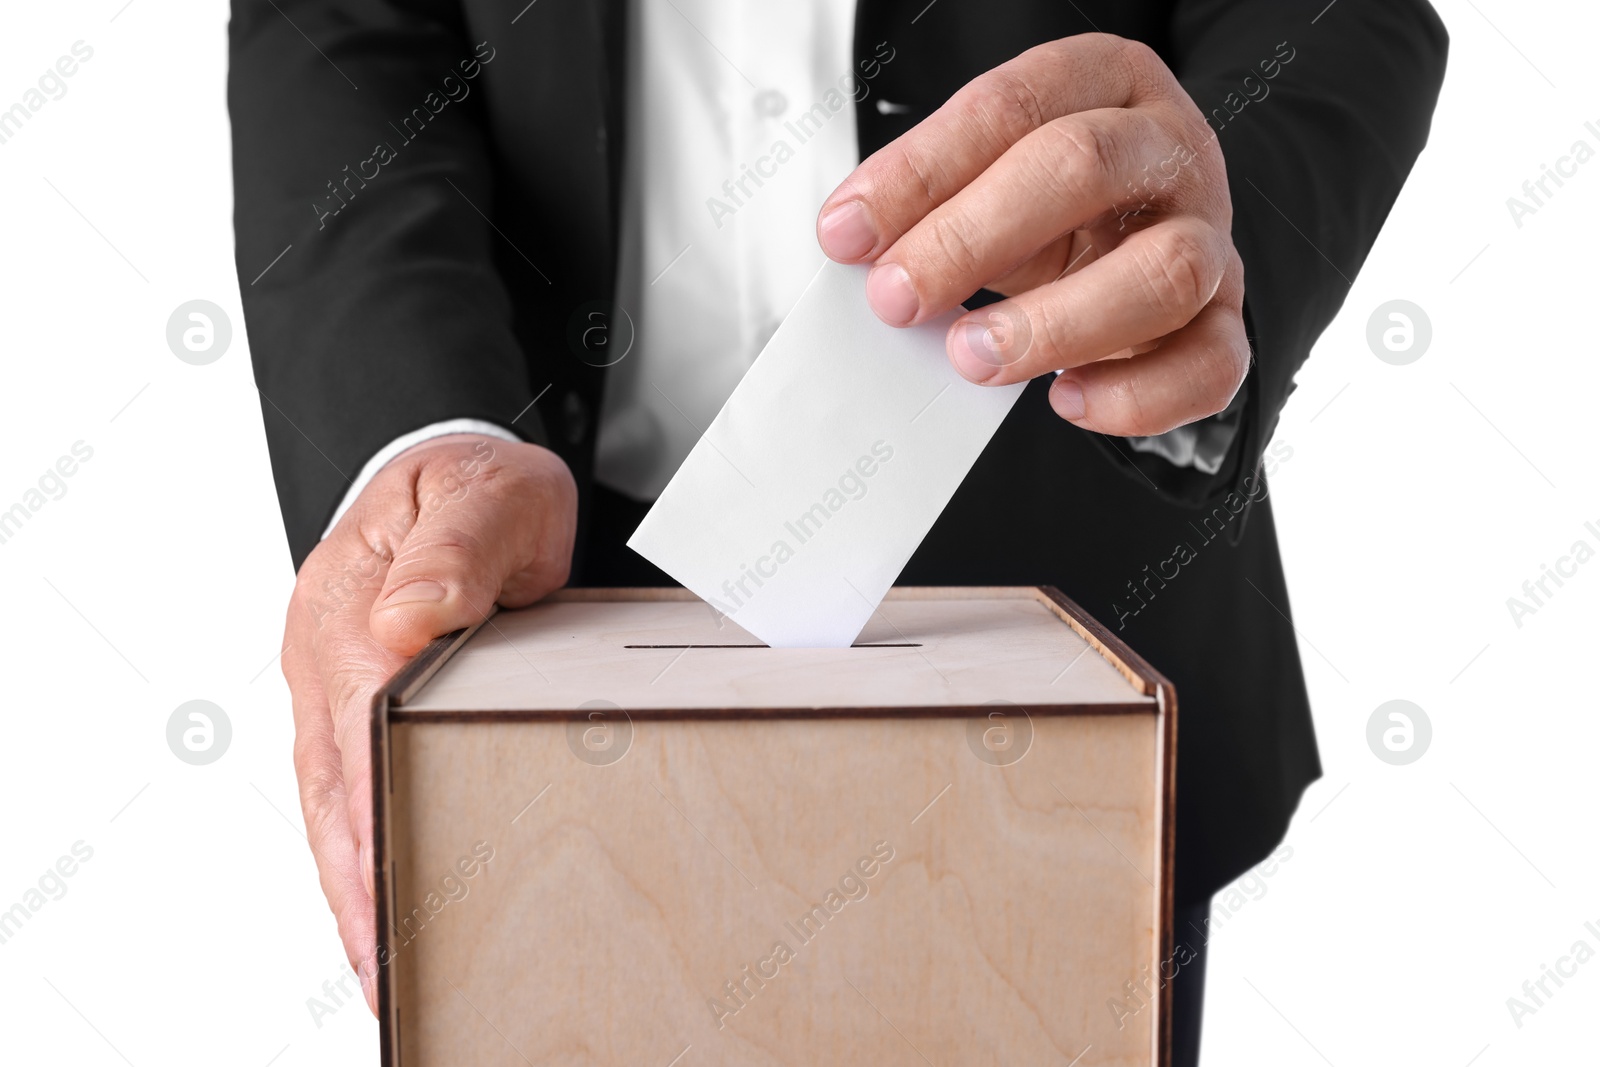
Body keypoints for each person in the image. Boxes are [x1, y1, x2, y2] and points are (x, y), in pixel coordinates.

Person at [228, 1, 1446, 1061]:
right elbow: (340, 27)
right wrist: (421, 436)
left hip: (1069, 640)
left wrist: (1197, 258)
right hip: (544, 626)